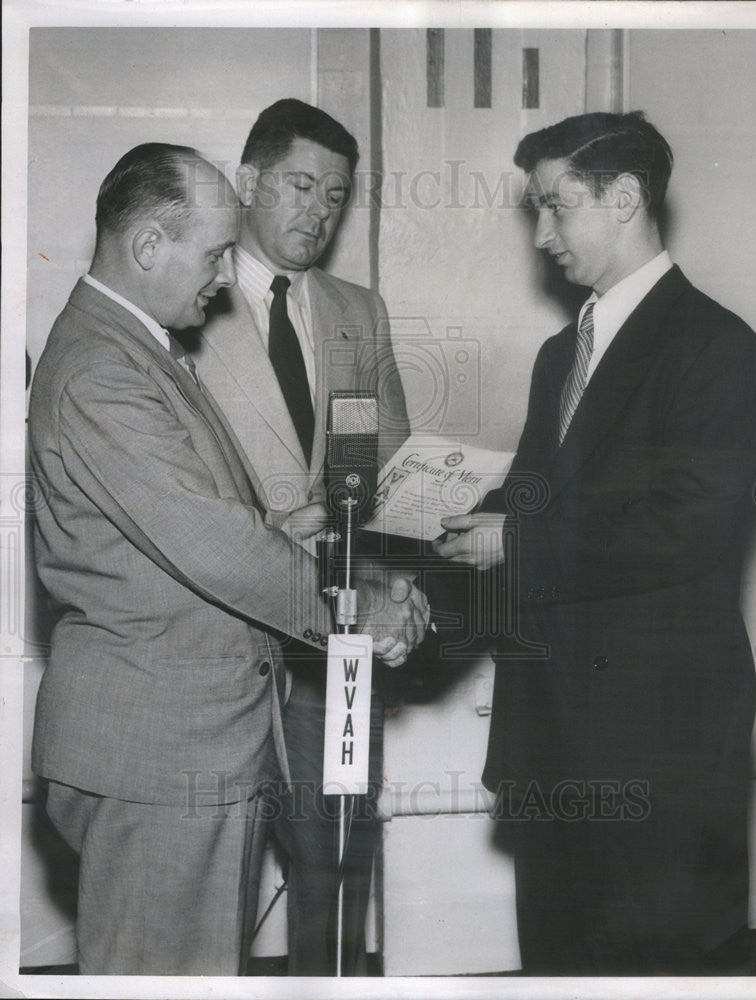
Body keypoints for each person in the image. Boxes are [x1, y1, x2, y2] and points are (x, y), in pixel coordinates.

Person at [27, 142, 427, 976]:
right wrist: (359, 611)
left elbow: (206, 522)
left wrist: (298, 525)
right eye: (212, 255)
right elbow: (211, 545)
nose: (220, 278)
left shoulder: (141, 349)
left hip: (191, 740)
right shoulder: (104, 370)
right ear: (147, 248)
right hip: (160, 751)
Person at [433, 112, 756, 975]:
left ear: (624, 199)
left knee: (654, 973)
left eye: (556, 207)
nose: (541, 235)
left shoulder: (721, 347)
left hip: (658, 749)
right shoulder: (562, 353)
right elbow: (543, 499)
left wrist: (515, 540)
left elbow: (688, 524)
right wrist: (435, 526)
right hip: (548, 737)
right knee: (554, 964)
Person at [190, 99, 410, 975]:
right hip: (223, 636)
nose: (318, 211)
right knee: (217, 863)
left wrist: (396, 579)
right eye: (301, 185)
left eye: (337, 195)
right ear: (249, 182)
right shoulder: (186, 305)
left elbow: (383, 474)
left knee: (335, 855)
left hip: (340, 642)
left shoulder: (361, 310)